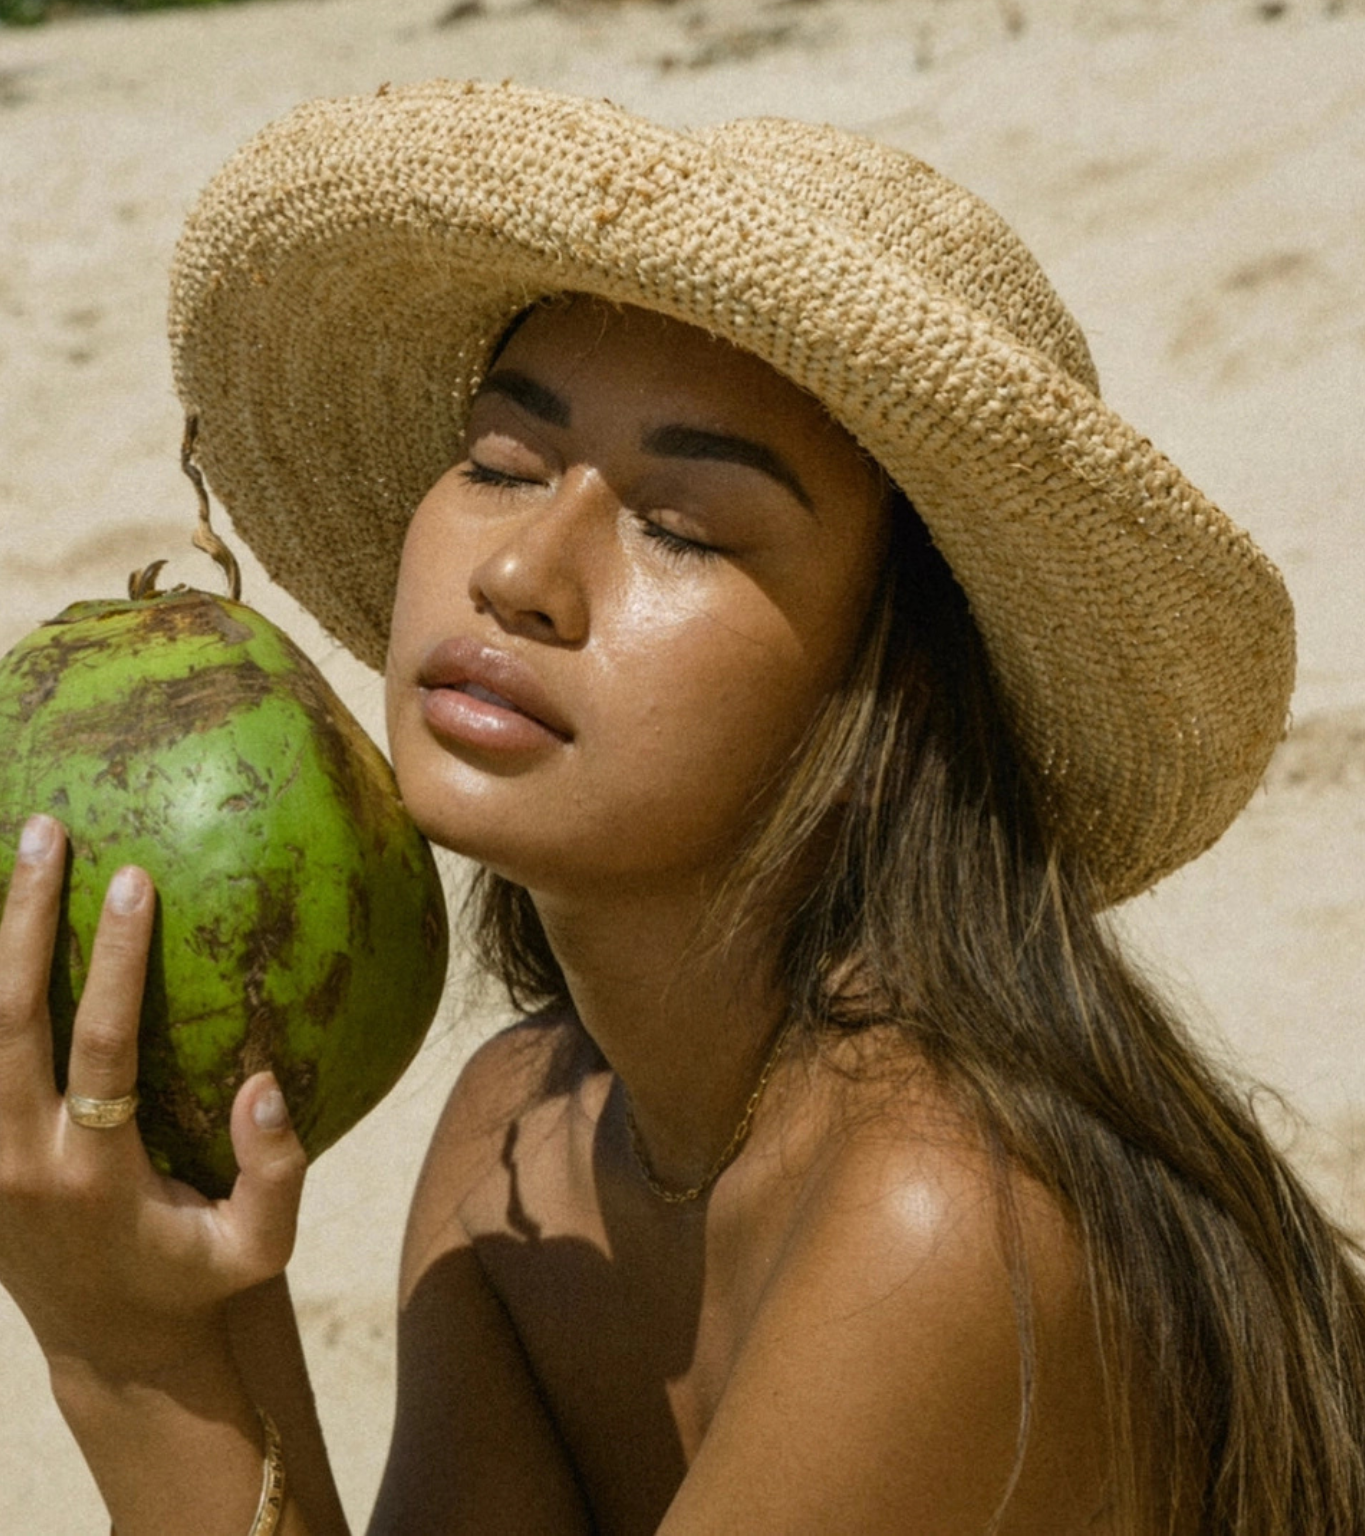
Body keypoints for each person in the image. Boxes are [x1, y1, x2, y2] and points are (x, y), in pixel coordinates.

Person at [1, 79, 1362, 1535]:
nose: (523, 566)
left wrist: (125, 1358)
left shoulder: (949, 1220)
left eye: (683, 527)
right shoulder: (517, 1152)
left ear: (890, 692)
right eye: (498, 461)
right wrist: (183, 1272)